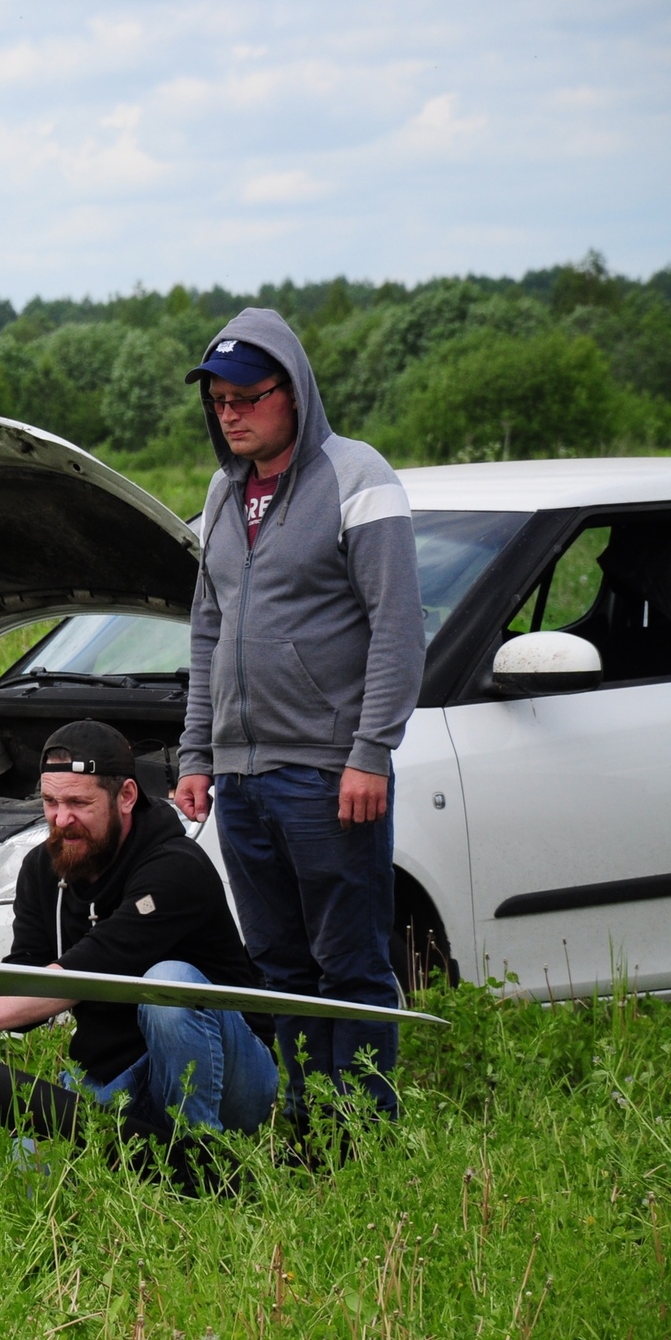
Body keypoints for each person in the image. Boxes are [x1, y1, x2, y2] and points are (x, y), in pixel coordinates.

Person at [170, 310, 425, 1120]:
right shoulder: (220, 493)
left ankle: (365, 1132)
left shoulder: (359, 477)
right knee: (279, 964)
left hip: (326, 771)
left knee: (349, 961)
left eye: (246, 395)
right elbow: (209, 627)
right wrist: (196, 754)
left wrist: (371, 753)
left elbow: (397, 626)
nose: (231, 413)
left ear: (293, 388)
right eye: (218, 400)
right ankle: (309, 1123)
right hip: (241, 776)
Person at [0, 720, 280, 1156]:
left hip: (232, 1075)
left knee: (172, 982)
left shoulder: (175, 868)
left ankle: (202, 1158)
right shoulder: (43, 867)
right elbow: (36, 976)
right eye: (50, 801)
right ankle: (145, 1148)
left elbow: (83, 973)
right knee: (19, 1170)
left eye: (78, 803)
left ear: (126, 796)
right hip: (119, 1073)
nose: (61, 819)